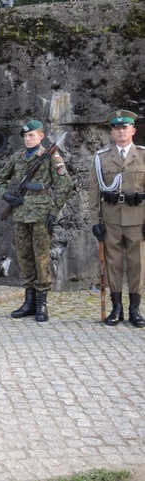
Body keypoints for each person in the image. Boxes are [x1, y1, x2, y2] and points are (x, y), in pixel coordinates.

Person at [0, 120, 73, 322]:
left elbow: (65, 185)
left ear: (41, 136)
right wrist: (6, 196)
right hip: (20, 214)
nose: (28, 139)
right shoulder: (17, 157)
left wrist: (54, 211)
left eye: (32, 135)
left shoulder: (50, 157)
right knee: (24, 257)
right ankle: (28, 301)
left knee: (41, 257)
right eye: (26, 136)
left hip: (41, 215)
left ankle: (42, 303)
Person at [89, 110, 145, 328]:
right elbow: (93, 192)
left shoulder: (143, 155)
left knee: (137, 265)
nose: (121, 131)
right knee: (112, 264)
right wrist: (96, 221)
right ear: (112, 132)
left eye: (125, 127)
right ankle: (116, 309)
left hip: (138, 219)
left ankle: (135, 309)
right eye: (116, 128)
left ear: (133, 130)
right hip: (111, 219)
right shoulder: (101, 158)